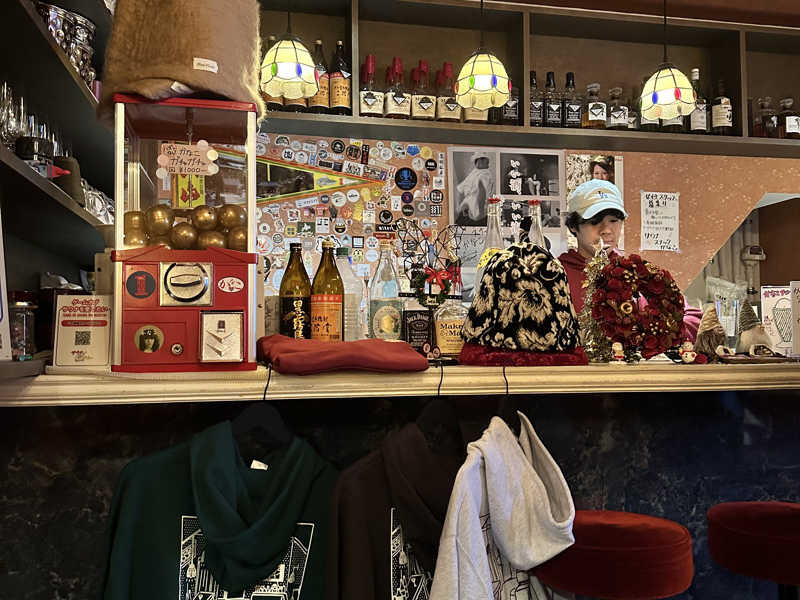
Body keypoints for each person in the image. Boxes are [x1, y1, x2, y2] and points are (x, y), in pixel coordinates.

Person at [560, 179, 700, 342]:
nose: (607, 230)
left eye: (614, 220)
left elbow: (691, 317)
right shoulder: (555, 274)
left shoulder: (635, 270)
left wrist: (658, 334)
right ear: (573, 226)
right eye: (595, 221)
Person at [456, 151, 494, 225]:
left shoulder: (479, 173)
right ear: (480, 161)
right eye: (487, 162)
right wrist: (480, 213)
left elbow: (459, 190)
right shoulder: (482, 173)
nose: (488, 164)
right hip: (476, 211)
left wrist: (460, 206)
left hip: (472, 210)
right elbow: (481, 193)